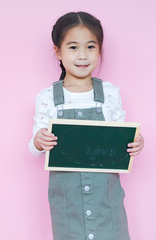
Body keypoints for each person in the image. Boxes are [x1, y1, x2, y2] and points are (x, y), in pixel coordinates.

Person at [28, 11, 144, 240]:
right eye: (73, 47)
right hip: (67, 206)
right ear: (58, 51)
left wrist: (135, 143)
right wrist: (39, 140)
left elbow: (121, 140)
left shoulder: (110, 94)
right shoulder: (47, 97)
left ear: (100, 49)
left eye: (90, 47)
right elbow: (33, 149)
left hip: (106, 203)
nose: (82, 55)